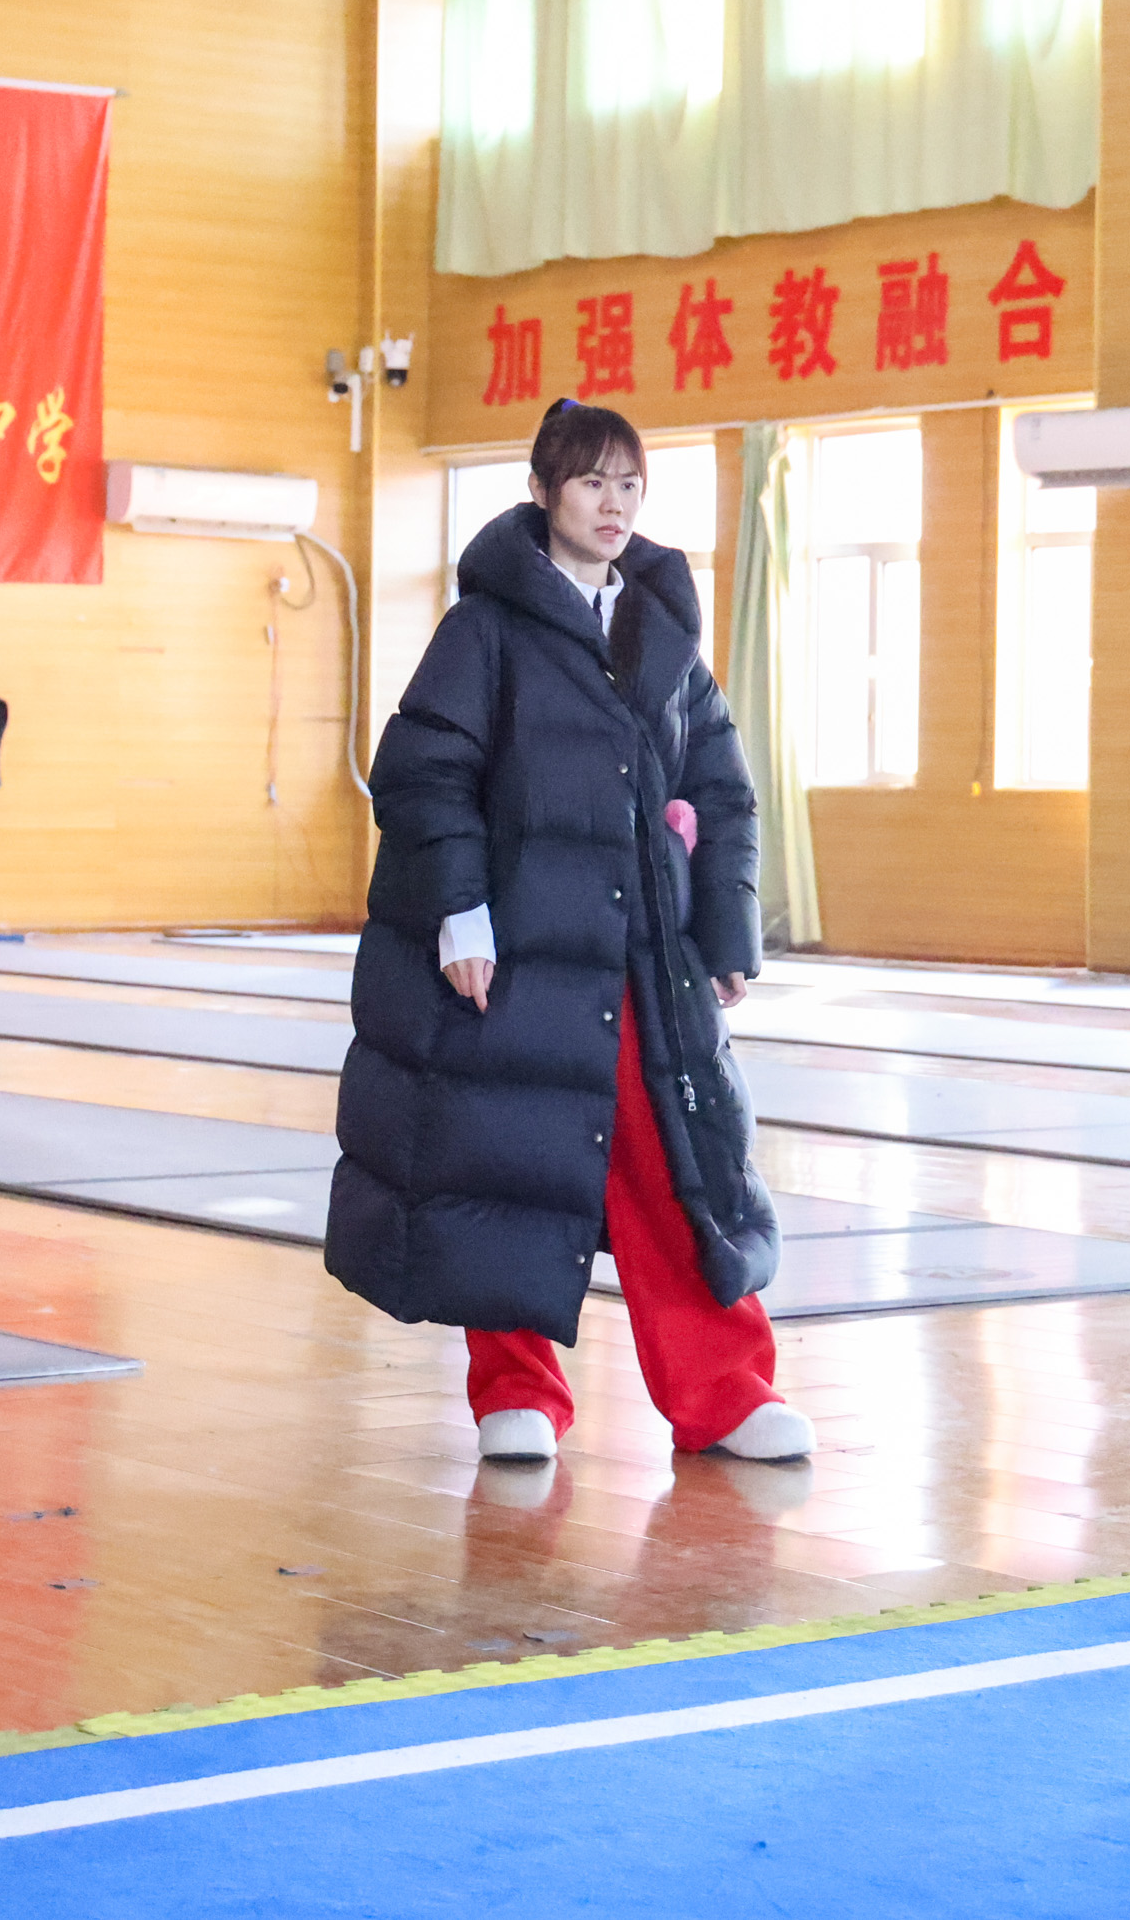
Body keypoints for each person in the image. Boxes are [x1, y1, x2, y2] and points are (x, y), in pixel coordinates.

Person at [330, 397, 806, 1468]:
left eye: (628, 483)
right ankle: (517, 1391)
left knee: (678, 1168)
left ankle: (725, 1393)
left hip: (643, 959)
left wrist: (725, 931)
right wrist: (460, 913)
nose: (613, 503)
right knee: (505, 1161)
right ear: (543, 491)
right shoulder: (485, 631)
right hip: (517, 955)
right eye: (591, 481)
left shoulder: (662, 632)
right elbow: (424, 776)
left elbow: (722, 788)